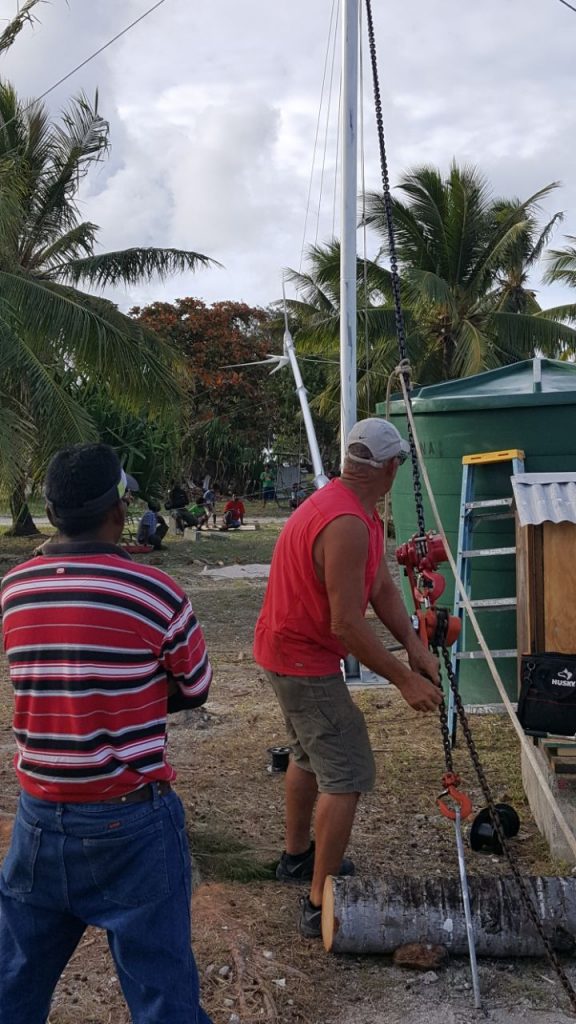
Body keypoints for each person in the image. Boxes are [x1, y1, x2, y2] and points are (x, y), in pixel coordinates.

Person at [0, 444, 213, 1024]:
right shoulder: (156, 593)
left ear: (50, 514)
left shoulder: (14, 590)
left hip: (39, 822)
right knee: (164, 997)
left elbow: (45, 675)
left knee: (14, 987)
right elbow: (196, 687)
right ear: (119, 511)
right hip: (133, 827)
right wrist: (132, 696)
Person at [253, 418, 442, 939]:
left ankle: (296, 858)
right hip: (302, 660)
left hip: (286, 651)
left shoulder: (357, 511)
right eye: (398, 464)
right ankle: (319, 900)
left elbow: (379, 584)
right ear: (387, 467)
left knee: (307, 755)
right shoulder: (345, 522)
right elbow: (345, 622)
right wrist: (404, 680)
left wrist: (414, 644)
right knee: (349, 770)